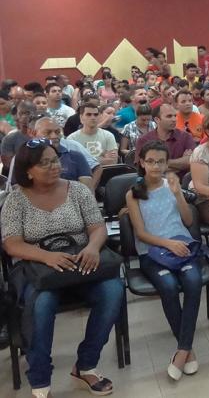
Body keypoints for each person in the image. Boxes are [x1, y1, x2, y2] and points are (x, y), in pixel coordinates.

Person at [1, 139, 124, 397]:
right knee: (42, 305)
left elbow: (97, 227)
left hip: (81, 263)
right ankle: (40, 379)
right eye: (43, 163)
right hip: (40, 271)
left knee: (113, 290)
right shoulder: (16, 199)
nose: (52, 166)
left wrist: (92, 247)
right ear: (28, 170)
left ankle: (86, 365)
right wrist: (46, 256)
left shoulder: (78, 190)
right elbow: (12, 244)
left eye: (54, 160)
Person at [125, 141, 202, 381]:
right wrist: (168, 244)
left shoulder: (172, 186)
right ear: (142, 162)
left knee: (193, 281)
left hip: (182, 245)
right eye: (150, 161)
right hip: (153, 252)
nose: (156, 166)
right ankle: (187, 349)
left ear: (167, 163)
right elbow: (141, 233)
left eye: (161, 161)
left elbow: (188, 221)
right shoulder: (134, 193)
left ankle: (181, 350)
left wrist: (178, 193)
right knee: (168, 287)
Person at [135, 104, 196, 176]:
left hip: (181, 185)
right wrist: (180, 166)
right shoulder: (144, 140)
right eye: (169, 116)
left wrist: (158, 162)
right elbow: (145, 169)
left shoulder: (186, 137)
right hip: (154, 184)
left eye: (175, 116)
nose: (174, 119)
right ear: (157, 119)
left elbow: (191, 162)